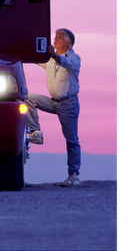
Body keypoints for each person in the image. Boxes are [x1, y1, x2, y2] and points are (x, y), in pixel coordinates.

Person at [25, 28, 82, 187]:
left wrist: (54, 56)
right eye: (55, 36)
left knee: (71, 140)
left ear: (68, 42)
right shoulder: (50, 60)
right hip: (53, 102)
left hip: (68, 104)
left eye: (59, 37)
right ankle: (36, 133)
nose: (55, 39)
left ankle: (74, 175)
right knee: (28, 98)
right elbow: (35, 58)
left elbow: (66, 63)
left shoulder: (74, 58)